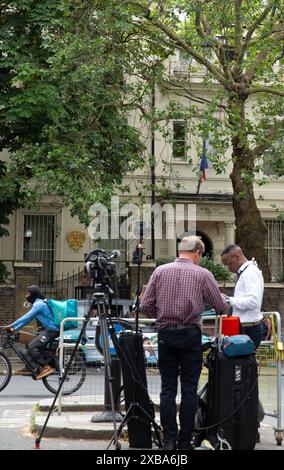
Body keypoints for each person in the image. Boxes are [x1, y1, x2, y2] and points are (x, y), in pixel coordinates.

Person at [141, 235, 228, 450]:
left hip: (166, 334)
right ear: (197, 253)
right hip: (190, 335)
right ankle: (185, 440)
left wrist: (162, 315)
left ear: (180, 251)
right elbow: (220, 306)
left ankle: (169, 440)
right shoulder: (203, 274)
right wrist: (224, 300)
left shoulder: (160, 271)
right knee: (189, 389)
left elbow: (146, 305)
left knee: (168, 389)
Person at [1, 285, 59, 380]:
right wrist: (15, 329)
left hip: (52, 330)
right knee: (28, 346)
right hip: (46, 330)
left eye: (27, 294)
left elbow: (26, 317)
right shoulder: (37, 304)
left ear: (33, 294)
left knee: (32, 346)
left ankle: (46, 367)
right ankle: (30, 367)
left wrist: (11, 325)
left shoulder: (39, 304)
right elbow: (27, 320)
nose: (25, 296)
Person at [221, 244, 264, 349]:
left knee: (243, 364)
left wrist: (229, 300)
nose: (229, 269)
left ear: (237, 256)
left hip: (249, 328)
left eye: (229, 264)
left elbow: (254, 302)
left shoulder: (250, 272)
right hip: (246, 326)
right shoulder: (246, 272)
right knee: (241, 364)